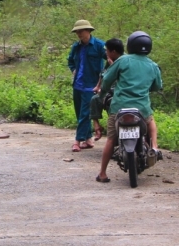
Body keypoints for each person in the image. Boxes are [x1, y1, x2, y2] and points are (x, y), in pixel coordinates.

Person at [96, 31, 162, 183]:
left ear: (130, 45)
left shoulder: (123, 60)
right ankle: (155, 148)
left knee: (111, 140)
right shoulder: (152, 65)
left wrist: (102, 92)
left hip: (119, 107)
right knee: (151, 122)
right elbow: (157, 86)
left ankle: (103, 173)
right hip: (141, 108)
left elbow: (106, 79)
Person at [67, 20, 107, 152]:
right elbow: (70, 60)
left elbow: (112, 59)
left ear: (88, 31)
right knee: (79, 113)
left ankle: (77, 141)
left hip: (92, 85)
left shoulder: (99, 45)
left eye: (81, 31)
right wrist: (73, 69)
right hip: (78, 84)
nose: (79, 34)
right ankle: (88, 139)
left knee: (85, 113)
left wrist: (105, 76)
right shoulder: (76, 47)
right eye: (77, 31)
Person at [90, 38, 124, 142]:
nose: (105, 52)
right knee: (94, 100)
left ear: (113, 51)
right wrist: (98, 86)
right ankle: (97, 128)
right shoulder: (109, 60)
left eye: (107, 50)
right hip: (109, 89)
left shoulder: (124, 61)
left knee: (111, 103)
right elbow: (103, 74)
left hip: (120, 91)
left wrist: (112, 66)